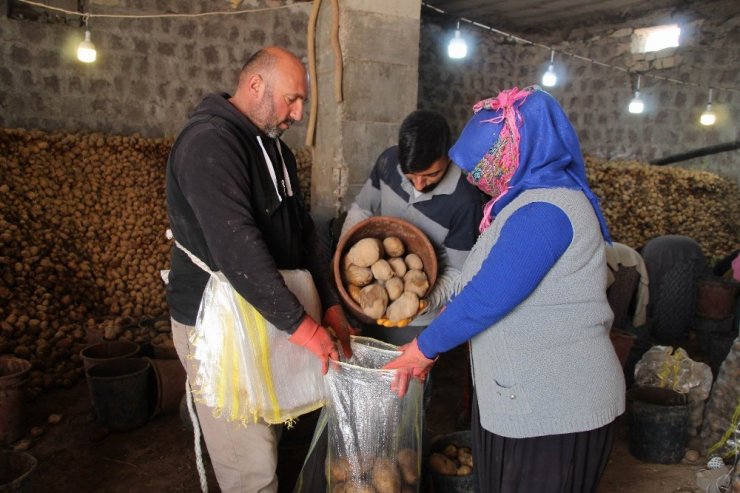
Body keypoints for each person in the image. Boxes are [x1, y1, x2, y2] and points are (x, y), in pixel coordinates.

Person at [384, 86, 626, 493]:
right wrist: (428, 301)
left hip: (554, 407)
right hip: (524, 400)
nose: (480, 178)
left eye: (488, 166)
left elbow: (488, 296)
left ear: (522, 151)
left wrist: (422, 349)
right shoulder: (519, 203)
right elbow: (476, 279)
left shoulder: (546, 212)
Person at [165, 46, 354, 493]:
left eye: (302, 101)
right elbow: (237, 249)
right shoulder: (209, 143)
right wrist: (305, 329)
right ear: (255, 86)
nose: (299, 112)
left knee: (267, 435)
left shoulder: (277, 153)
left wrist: (329, 304)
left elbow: (304, 233)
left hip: (264, 316)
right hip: (215, 327)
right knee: (248, 463)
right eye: (292, 99)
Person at [340, 109, 484, 345]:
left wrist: (422, 304)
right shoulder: (388, 162)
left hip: (416, 321)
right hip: (368, 293)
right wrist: (346, 258)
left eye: (431, 175)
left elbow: (458, 273)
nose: (419, 184)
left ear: (449, 155)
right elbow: (362, 209)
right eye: (411, 175)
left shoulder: (465, 201)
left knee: (404, 379)